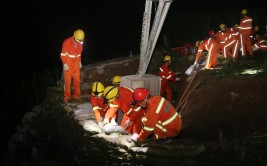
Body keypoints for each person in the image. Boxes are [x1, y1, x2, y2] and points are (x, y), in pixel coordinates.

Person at [60, 29, 85, 103]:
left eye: (80, 41)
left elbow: (79, 54)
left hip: (76, 64)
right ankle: (67, 96)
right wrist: (65, 64)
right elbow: (63, 55)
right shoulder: (66, 42)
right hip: (68, 64)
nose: (79, 42)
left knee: (77, 80)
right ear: (74, 37)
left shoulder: (80, 43)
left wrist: (80, 62)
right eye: (79, 41)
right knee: (68, 82)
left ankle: (77, 95)